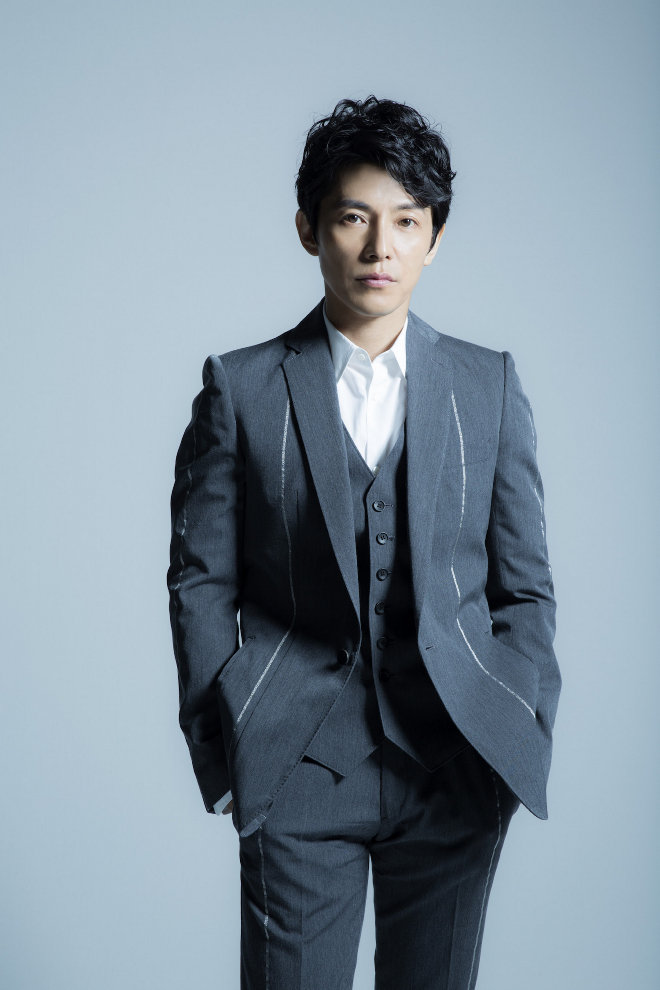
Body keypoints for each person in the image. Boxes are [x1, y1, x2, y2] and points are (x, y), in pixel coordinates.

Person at [168, 96, 561, 990]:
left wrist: (520, 729)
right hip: (295, 767)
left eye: (406, 222)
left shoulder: (488, 386)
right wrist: (221, 754)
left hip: (455, 767)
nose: (381, 247)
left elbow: (526, 586)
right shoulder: (241, 389)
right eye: (354, 218)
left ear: (434, 237)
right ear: (309, 230)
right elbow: (200, 580)